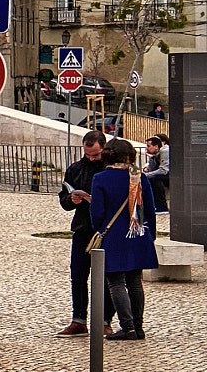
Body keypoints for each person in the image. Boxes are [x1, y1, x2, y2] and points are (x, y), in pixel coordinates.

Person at [87, 136, 156, 341]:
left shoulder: (101, 178)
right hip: (138, 234)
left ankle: (128, 328)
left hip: (114, 237)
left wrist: (100, 229)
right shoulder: (139, 177)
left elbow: (97, 213)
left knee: (116, 282)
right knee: (135, 282)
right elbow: (150, 210)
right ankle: (138, 325)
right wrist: (148, 234)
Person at [57, 129, 106, 336]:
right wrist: (72, 200)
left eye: (95, 155)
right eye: (88, 155)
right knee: (78, 275)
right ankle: (78, 319)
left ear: (104, 148)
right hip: (82, 228)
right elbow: (64, 198)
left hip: (104, 230)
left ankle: (104, 320)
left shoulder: (109, 170)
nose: (91, 158)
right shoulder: (76, 169)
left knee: (106, 277)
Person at [141, 134, 170, 234]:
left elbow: (164, 170)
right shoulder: (155, 155)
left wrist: (147, 174)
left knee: (156, 179)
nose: (147, 148)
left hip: (171, 176)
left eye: (149, 146)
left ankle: (161, 205)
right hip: (163, 175)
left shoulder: (165, 151)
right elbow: (152, 168)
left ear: (156, 147)